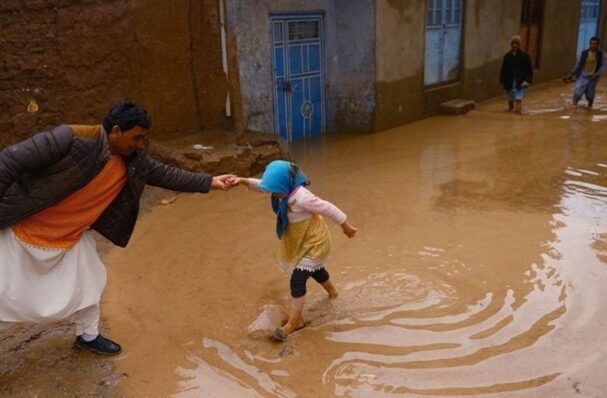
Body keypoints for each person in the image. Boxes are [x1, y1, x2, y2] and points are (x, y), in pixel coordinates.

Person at [0, 101, 235, 355]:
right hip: (25, 230)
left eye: (144, 138)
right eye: (136, 137)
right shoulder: (70, 138)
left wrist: (210, 181)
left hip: (71, 237)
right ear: (115, 131)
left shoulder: (133, 160)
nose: (141, 144)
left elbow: (166, 174)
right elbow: (9, 161)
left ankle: (88, 336)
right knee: (5, 294)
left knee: (90, 283)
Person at [232, 160, 357, 341]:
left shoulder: (303, 197)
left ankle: (293, 323)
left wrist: (346, 226)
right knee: (316, 270)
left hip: (315, 242)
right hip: (300, 241)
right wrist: (243, 181)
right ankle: (333, 293)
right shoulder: (280, 189)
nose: (272, 194)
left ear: (284, 185)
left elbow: (328, 207)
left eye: (275, 191)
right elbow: (261, 186)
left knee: (298, 279)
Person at [564, 36, 607, 109]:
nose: (593, 45)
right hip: (582, 76)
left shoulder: (601, 54)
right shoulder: (583, 53)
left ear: (598, 45)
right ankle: (574, 106)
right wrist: (570, 75)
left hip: (593, 77)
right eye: (591, 44)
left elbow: (603, 66)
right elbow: (577, 65)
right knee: (578, 92)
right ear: (589, 44)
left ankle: (590, 107)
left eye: (595, 44)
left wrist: (597, 74)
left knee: (590, 95)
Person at [499, 35, 534, 114]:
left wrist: (527, 80)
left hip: (520, 82)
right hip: (509, 82)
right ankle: (510, 115)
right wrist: (502, 81)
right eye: (513, 43)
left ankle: (518, 117)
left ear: (519, 45)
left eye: (517, 43)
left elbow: (529, 70)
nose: (514, 45)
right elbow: (503, 69)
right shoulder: (507, 56)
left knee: (518, 99)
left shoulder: (525, 56)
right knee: (510, 99)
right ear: (511, 44)